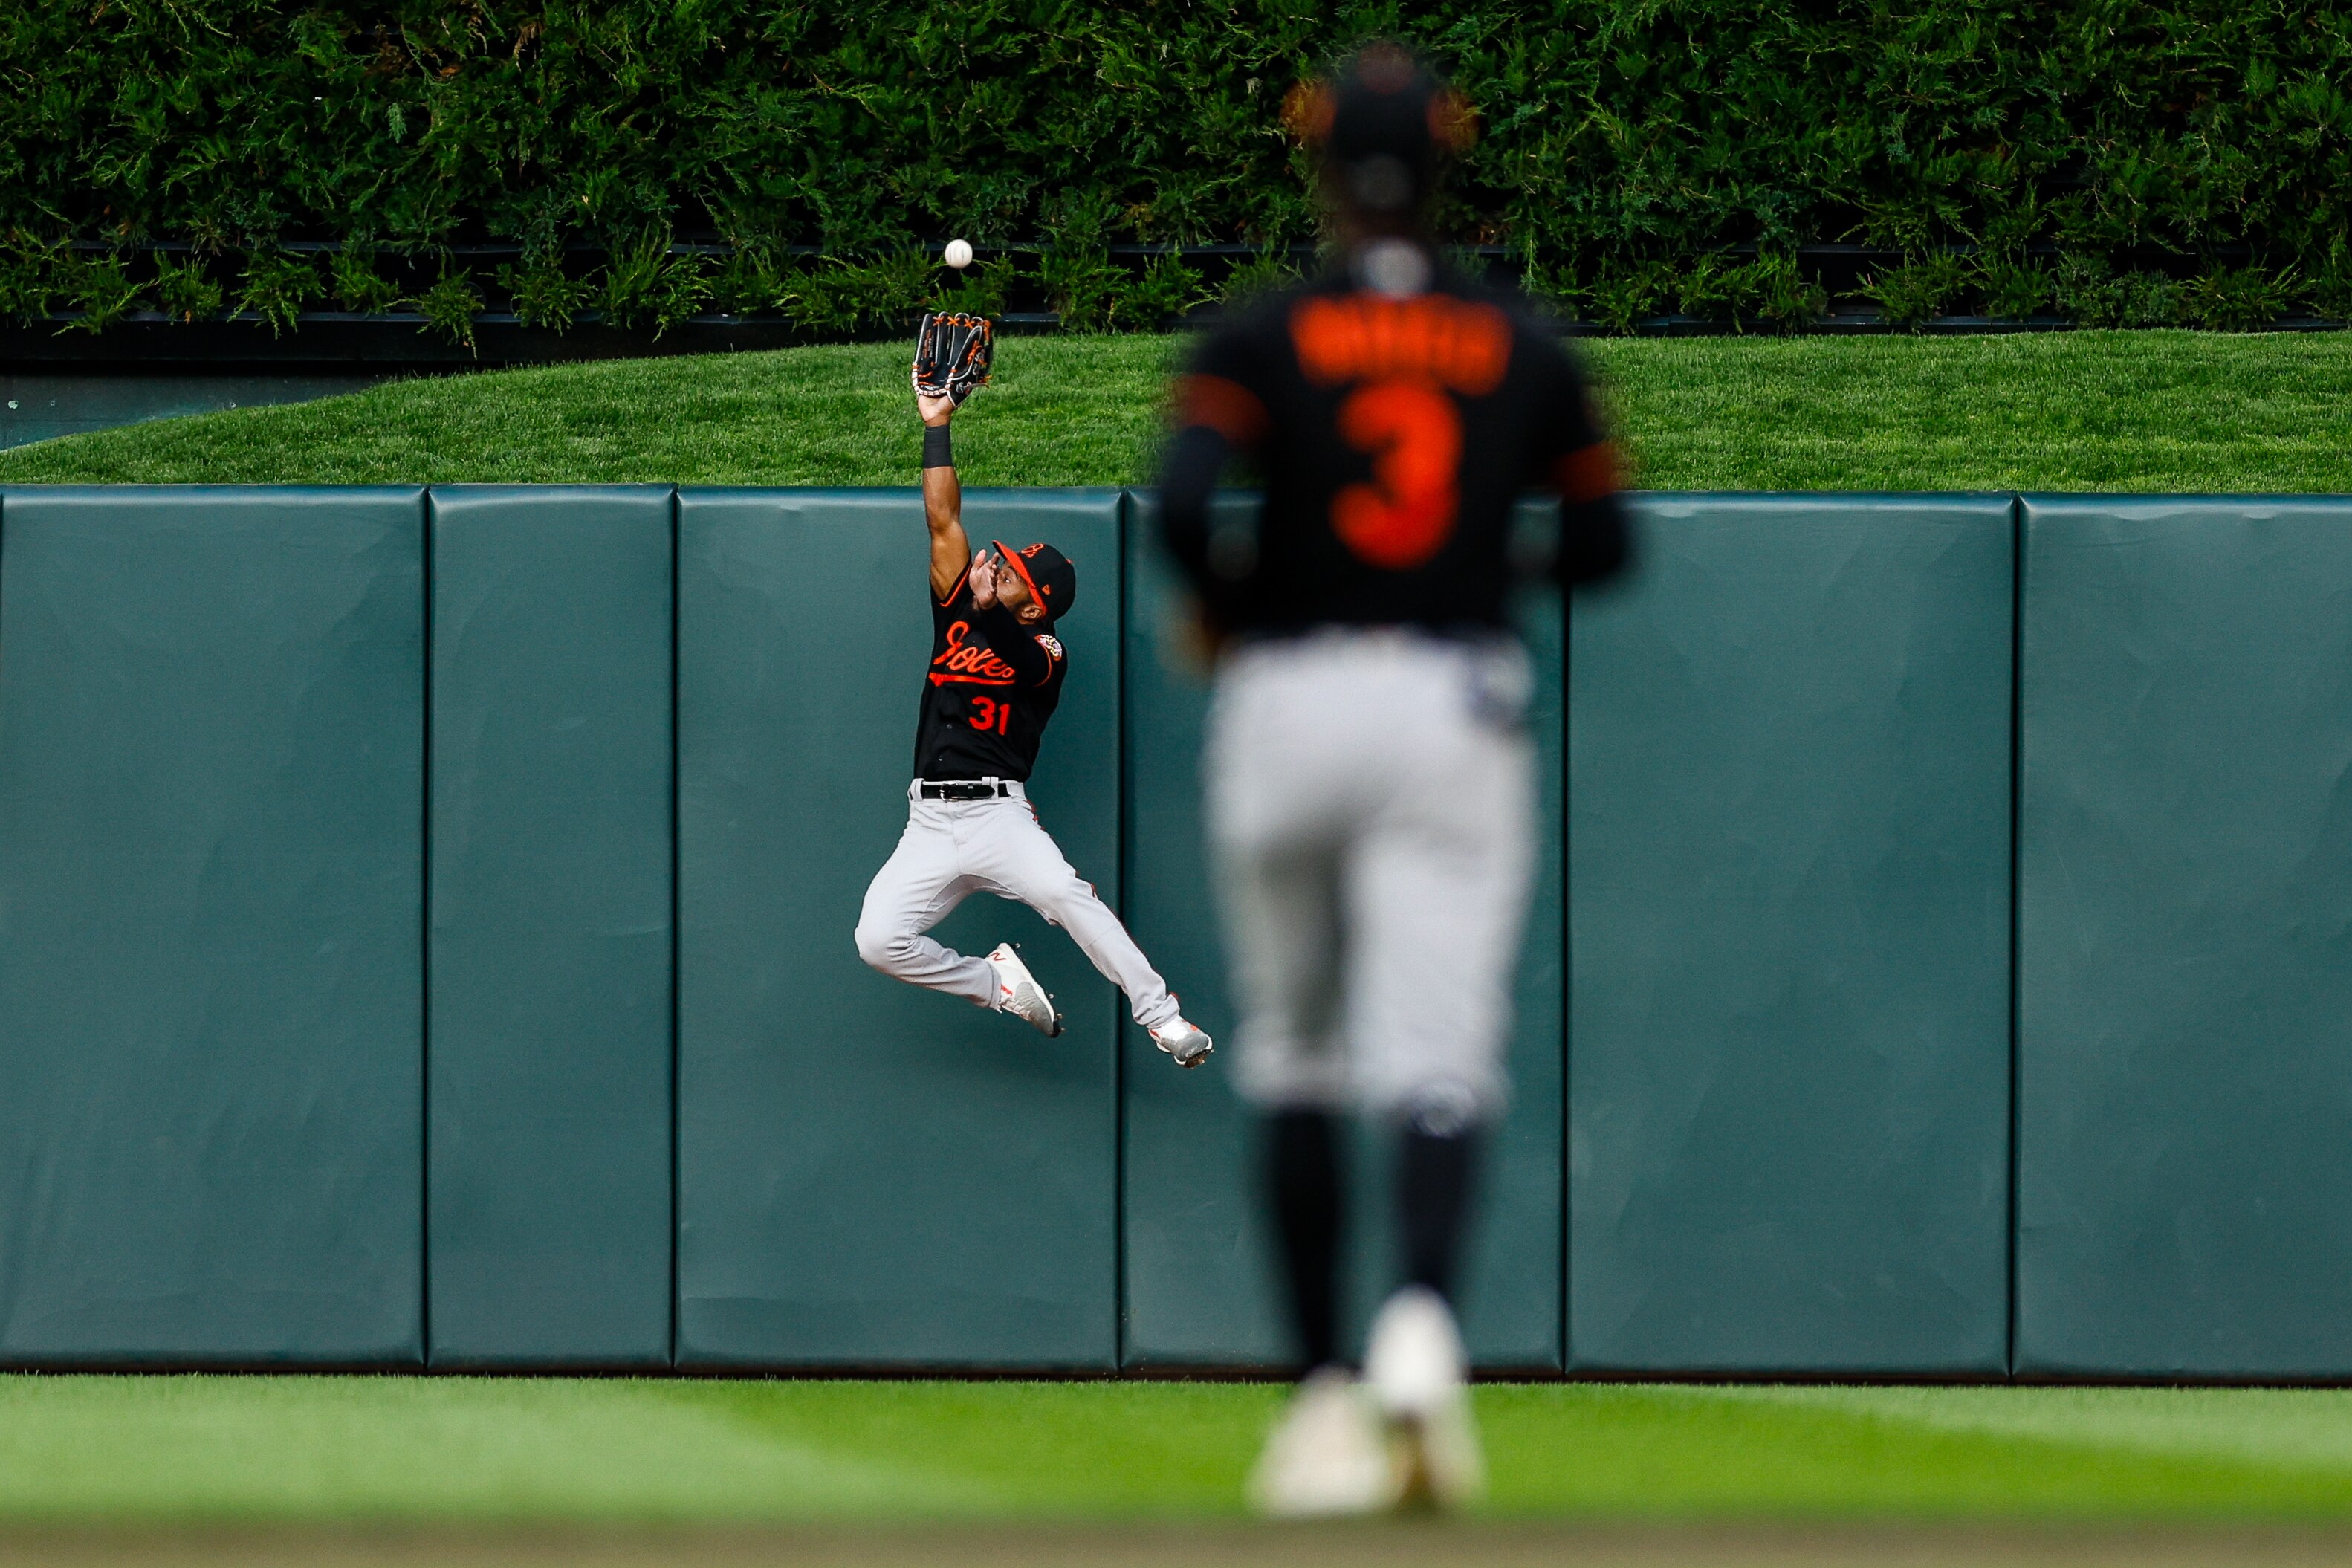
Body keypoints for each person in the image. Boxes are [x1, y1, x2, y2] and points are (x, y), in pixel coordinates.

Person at [1156, 45, 1633, 1514]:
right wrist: (1481, 563)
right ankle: (1418, 1318)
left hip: (1287, 691)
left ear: (1315, 164)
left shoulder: (1260, 331)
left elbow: (1176, 506)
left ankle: (1315, 1405)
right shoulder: (1521, 343)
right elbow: (1610, 549)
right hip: (1447, 692)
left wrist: (1240, 597)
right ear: (1444, 160)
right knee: (1437, 1054)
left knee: (1296, 1045)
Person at [855, 317, 1214, 1071]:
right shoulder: (961, 607)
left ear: (1035, 602)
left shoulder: (1045, 651)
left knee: (1071, 899)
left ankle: (1164, 1018)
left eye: (1013, 568)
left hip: (998, 817)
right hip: (928, 818)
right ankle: (995, 983)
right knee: (878, 940)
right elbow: (943, 517)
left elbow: (1015, 651)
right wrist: (936, 426)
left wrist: (989, 607)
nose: (998, 561)